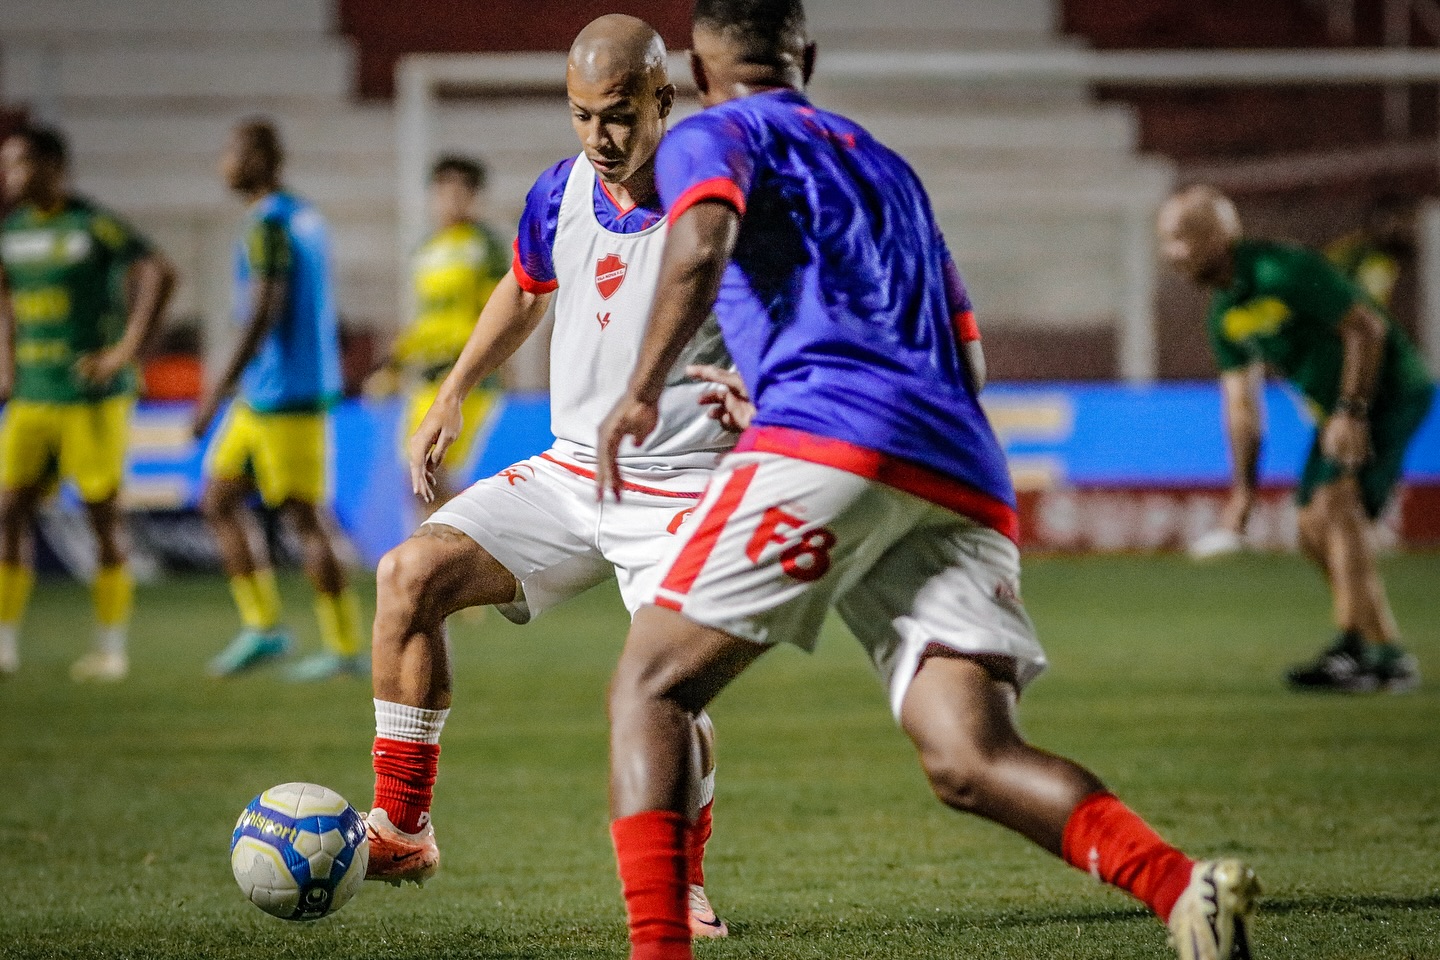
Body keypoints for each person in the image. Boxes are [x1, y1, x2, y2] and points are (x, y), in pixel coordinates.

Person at [595, 4, 1258, 960]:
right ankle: (1182, 890)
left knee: (651, 688)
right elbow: (967, 356)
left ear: (699, 70)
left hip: (832, 438)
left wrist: (642, 390)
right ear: (806, 58)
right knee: (971, 757)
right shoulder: (888, 167)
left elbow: (700, 245)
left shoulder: (713, 132)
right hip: (958, 462)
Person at [360, 15, 734, 939]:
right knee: (410, 575)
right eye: (580, 116)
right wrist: (453, 391)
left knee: (663, 686)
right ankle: (403, 827)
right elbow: (527, 286)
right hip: (573, 474)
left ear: (663, 98)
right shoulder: (561, 191)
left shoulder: (721, 198)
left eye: (617, 116)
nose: (599, 139)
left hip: (685, 484)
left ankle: (680, 883)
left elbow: (800, 309)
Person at [1159, 185, 1434, 694]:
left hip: (1390, 392)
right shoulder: (1225, 315)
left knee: (1336, 505)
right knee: (1310, 528)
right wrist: (1243, 493)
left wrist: (1352, 412)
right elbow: (1243, 409)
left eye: (1179, 239)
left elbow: (1367, 329)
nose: (1169, 254)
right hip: (1337, 412)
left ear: (1217, 237)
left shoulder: (1281, 270)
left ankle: (1353, 649)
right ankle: (1387, 656)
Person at [0, 125, 176, 680]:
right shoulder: (12, 231)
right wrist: (6, 360)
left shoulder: (91, 225)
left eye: (19, 164)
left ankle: (110, 647)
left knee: (103, 516)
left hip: (91, 398)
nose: (10, 176)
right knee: (9, 513)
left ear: (52, 165)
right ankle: (4, 643)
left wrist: (125, 350)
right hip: (33, 395)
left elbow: (159, 271)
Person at [193, 118, 366, 683]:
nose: (225, 163)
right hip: (266, 395)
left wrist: (216, 387)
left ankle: (344, 648)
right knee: (218, 498)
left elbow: (267, 308)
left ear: (263, 159)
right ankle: (264, 627)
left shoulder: (268, 225)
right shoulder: (303, 216)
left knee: (306, 520)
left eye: (234, 151)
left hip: (285, 395)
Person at [367, 155, 510, 513]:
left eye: (461, 190)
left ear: (475, 196)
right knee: (418, 480)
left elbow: (502, 312)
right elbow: (423, 320)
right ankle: (450, 559)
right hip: (426, 379)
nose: (451, 199)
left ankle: (482, 545)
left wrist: (493, 365)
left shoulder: (486, 247)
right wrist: (394, 366)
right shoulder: (425, 249)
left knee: (430, 473)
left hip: (466, 376)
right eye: (444, 190)